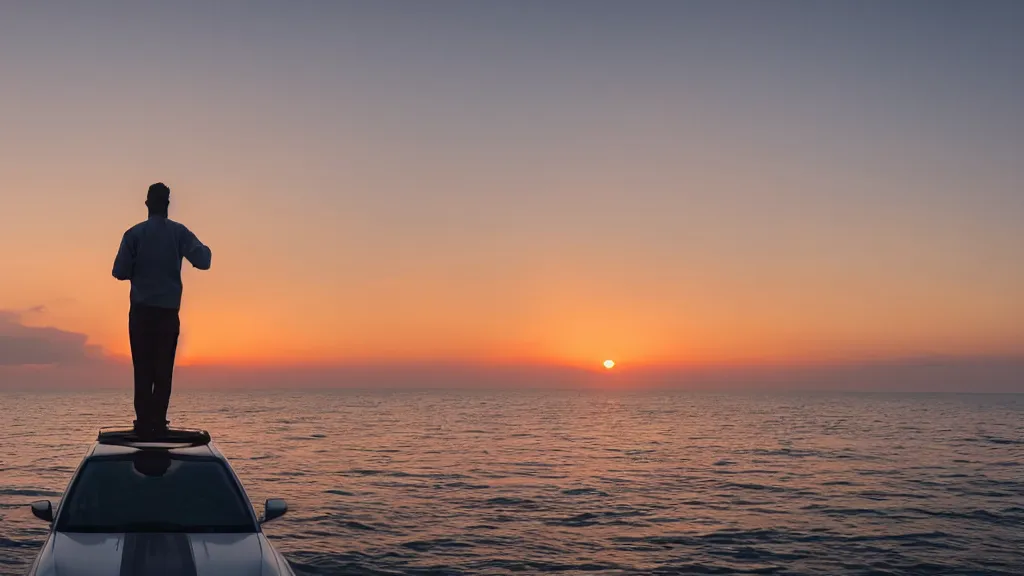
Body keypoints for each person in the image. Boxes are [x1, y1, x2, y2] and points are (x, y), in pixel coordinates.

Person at [112, 183, 211, 434]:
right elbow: (204, 261)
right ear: (167, 204)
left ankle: (144, 422)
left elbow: (119, 271)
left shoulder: (133, 235)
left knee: (142, 369)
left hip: (141, 313)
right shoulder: (179, 233)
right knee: (163, 370)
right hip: (167, 313)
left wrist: (139, 268)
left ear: (147, 204)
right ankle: (157, 421)